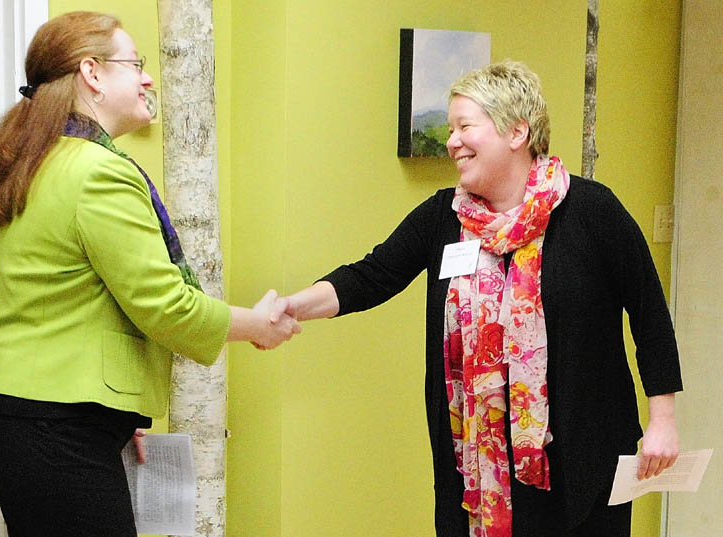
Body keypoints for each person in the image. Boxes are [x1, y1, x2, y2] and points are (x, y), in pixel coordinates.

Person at [275, 60, 682, 537]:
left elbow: (650, 315)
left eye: (465, 126)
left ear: (517, 132)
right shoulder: (443, 218)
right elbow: (371, 275)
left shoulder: (592, 211)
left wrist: (663, 421)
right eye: (451, 129)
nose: (452, 142)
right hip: (477, 468)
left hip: (582, 467)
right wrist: (292, 307)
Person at [0, 11, 299, 537]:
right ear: (92, 73)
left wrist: (116, 416)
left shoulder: (45, 159)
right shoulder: (98, 171)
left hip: (25, 413)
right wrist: (257, 325)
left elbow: (71, 300)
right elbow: (164, 306)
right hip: (51, 422)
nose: (148, 78)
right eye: (135, 64)